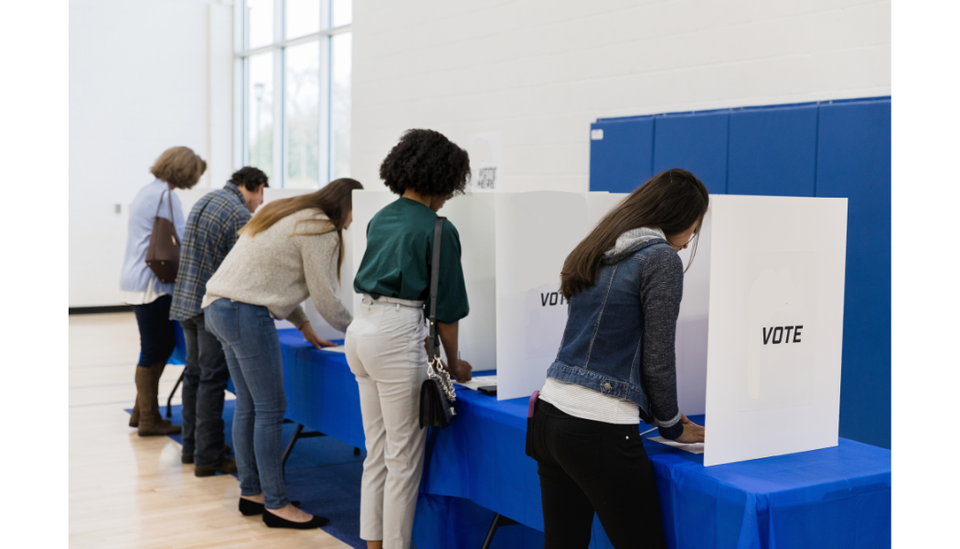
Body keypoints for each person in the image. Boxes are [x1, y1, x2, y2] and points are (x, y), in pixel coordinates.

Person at [527, 168, 709, 549]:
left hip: (548, 417)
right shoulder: (659, 259)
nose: (691, 240)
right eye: (694, 228)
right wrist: (672, 426)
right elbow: (658, 356)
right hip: (598, 429)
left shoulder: (598, 246)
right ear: (677, 216)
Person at [202, 177, 362, 529]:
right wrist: (361, 331)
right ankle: (276, 504)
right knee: (272, 409)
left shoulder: (289, 212)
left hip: (219, 308)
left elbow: (272, 276)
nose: (354, 222)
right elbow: (325, 297)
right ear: (347, 206)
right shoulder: (320, 227)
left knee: (249, 405)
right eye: (356, 213)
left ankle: (253, 493)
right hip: (245, 313)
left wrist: (304, 326)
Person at [345, 129, 474, 549]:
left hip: (360, 330)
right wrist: (455, 366)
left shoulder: (381, 216)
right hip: (396, 334)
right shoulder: (439, 229)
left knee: (377, 452)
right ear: (444, 177)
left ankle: (374, 545)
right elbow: (448, 314)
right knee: (403, 459)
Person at [169, 167, 269, 476]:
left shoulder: (206, 199)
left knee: (195, 376)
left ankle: (191, 447)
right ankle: (208, 457)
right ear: (251, 187)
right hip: (210, 305)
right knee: (212, 380)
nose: (261, 201)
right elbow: (241, 271)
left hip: (185, 299)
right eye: (262, 192)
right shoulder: (238, 214)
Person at [120, 146, 206, 436]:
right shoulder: (167, 196)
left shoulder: (147, 191)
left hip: (136, 279)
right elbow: (183, 239)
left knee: (157, 347)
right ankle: (148, 420)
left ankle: (141, 412)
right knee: (155, 348)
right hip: (152, 284)